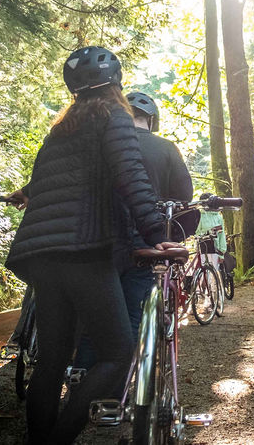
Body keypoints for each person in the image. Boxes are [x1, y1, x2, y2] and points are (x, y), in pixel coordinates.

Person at [5, 47, 174, 444]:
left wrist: (25, 193)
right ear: (116, 84)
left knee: (52, 361)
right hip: (85, 252)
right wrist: (157, 233)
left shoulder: (62, 128)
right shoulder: (114, 117)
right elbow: (130, 174)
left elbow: (56, 181)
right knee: (117, 354)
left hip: (41, 254)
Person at [73, 90, 194, 370]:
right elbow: (184, 197)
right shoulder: (166, 148)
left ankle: (83, 386)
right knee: (131, 316)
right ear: (152, 121)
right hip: (146, 243)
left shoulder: (100, 144)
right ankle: (123, 386)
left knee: (98, 319)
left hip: (101, 242)